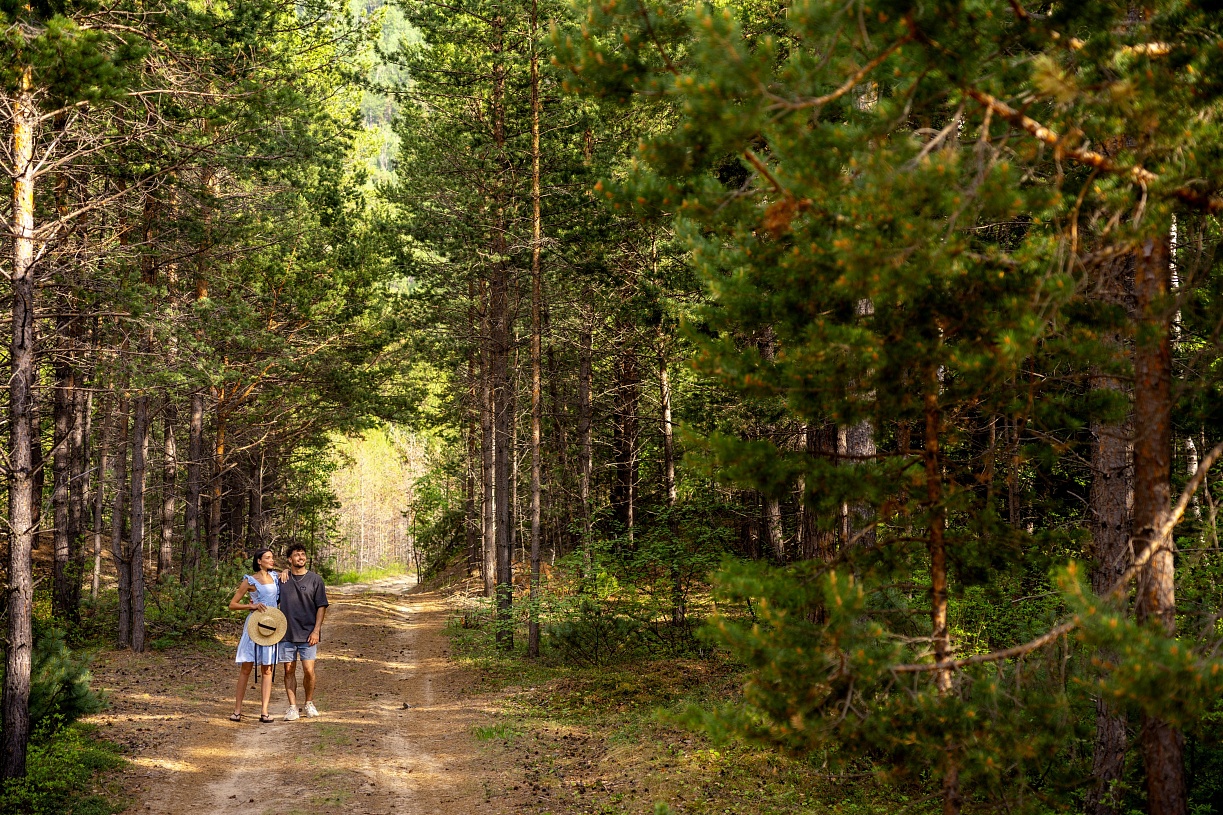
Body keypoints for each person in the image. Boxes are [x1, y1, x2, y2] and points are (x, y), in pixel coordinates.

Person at [228, 549, 282, 723]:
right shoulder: (250, 581)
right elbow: (232, 604)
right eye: (268, 558)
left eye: (272, 557)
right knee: (246, 667)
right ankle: (237, 710)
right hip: (254, 626)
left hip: (271, 626)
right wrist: (251, 606)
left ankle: (264, 711)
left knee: (267, 669)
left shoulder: (275, 577)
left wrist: (286, 571)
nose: (272, 560)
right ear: (259, 561)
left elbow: (287, 575)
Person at [278, 542, 329, 721]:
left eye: (303, 554)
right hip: (286, 633)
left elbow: (321, 606)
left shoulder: (315, 580)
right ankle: (292, 707)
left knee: (309, 670)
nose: (301, 557)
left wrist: (316, 631)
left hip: (308, 633)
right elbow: (264, 584)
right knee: (288, 670)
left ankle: (309, 703)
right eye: (296, 555)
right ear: (289, 559)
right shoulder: (282, 580)